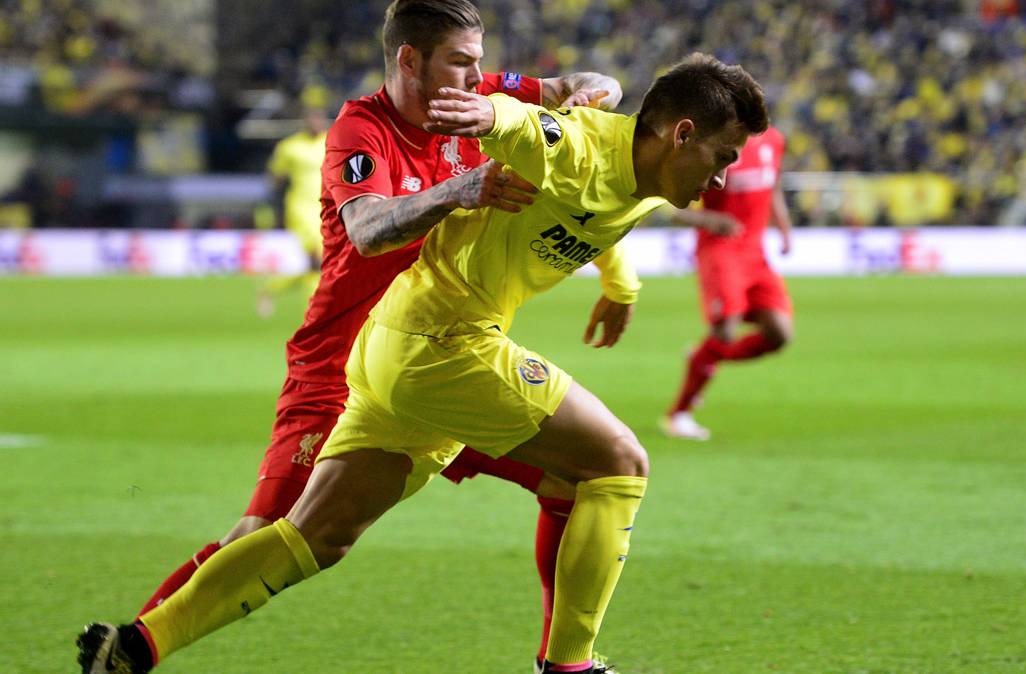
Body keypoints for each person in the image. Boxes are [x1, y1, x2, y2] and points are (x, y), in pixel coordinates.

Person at [77, 51, 768, 674]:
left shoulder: (644, 176)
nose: (726, 174)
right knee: (619, 462)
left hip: (394, 345)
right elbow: (531, 130)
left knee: (317, 535)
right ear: (681, 133)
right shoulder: (578, 143)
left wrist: (621, 286)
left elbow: (603, 210)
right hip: (448, 345)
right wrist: (486, 113)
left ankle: (137, 645)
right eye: (725, 154)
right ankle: (570, 671)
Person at [661, 126, 793, 440]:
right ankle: (679, 414)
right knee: (726, 329)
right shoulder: (713, 144)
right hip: (720, 249)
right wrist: (710, 220)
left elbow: (773, 188)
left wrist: (785, 229)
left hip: (756, 252)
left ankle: (702, 357)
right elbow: (668, 206)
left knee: (779, 334)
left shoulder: (774, 140)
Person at [257, 106, 328, 317]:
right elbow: (275, 177)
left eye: (320, 119)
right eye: (313, 119)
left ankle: (270, 289)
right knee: (318, 259)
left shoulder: (332, 141)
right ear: (305, 122)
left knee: (318, 265)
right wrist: (271, 207)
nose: (317, 124)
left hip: (325, 207)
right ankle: (315, 311)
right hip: (300, 209)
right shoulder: (289, 147)